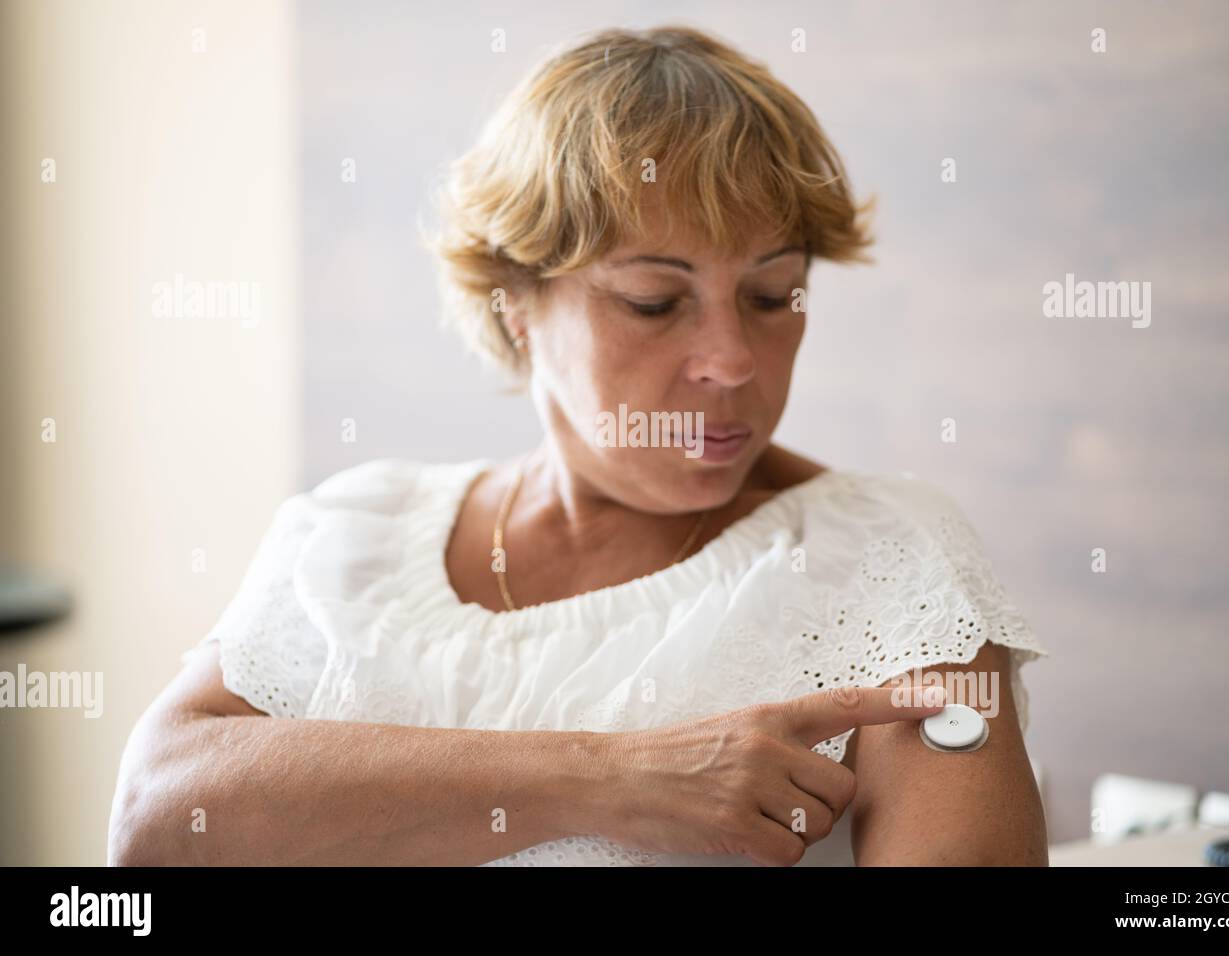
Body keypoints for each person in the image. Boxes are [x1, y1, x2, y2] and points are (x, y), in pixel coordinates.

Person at [108, 24, 1049, 867]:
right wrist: (617, 778)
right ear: (513, 304)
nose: (730, 360)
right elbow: (157, 820)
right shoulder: (352, 534)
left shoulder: (888, 563)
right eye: (653, 301)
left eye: (771, 296)